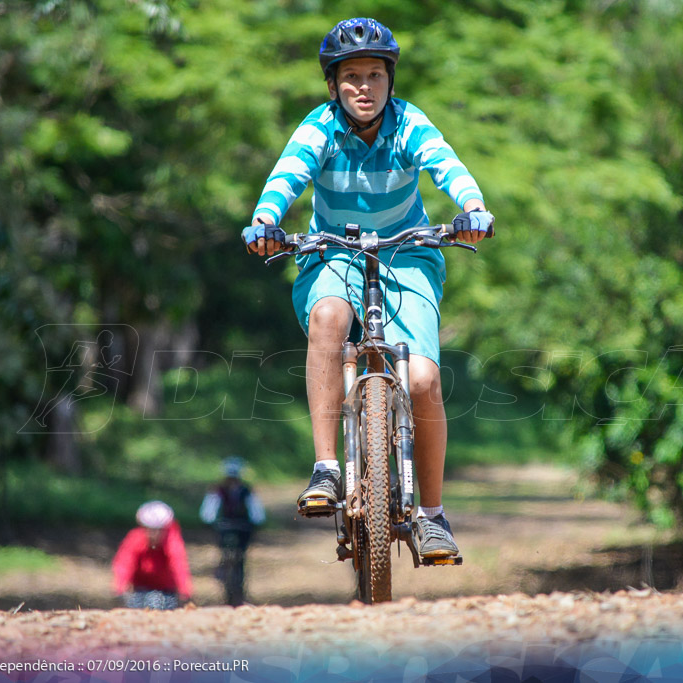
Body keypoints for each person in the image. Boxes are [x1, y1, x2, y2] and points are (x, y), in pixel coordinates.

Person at [242, 17, 494, 559]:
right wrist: (266, 221)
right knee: (329, 317)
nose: (363, 86)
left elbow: (446, 164)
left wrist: (472, 208)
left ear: (390, 81)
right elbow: (286, 175)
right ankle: (327, 468)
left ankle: (431, 516)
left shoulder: (410, 125)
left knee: (423, 378)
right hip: (332, 250)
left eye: (374, 75)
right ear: (333, 85)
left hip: (409, 253)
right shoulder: (318, 128)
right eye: (350, 75)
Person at [199, 456, 265, 606]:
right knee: (225, 553)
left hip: (241, 527)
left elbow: (256, 511)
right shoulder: (218, 491)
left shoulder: (246, 491)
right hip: (225, 526)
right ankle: (225, 580)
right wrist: (210, 521)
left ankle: (238, 588)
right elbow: (209, 511)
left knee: (241, 557)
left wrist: (255, 522)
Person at [111, 500, 192, 609]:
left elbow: (179, 564)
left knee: (158, 603)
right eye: (150, 530)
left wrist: (184, 590)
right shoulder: (135, 538)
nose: (154, 534)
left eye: (159, 530)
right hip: (140, 589)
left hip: (166, 591)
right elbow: (124, 563)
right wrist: (120, 587)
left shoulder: (172, 541)